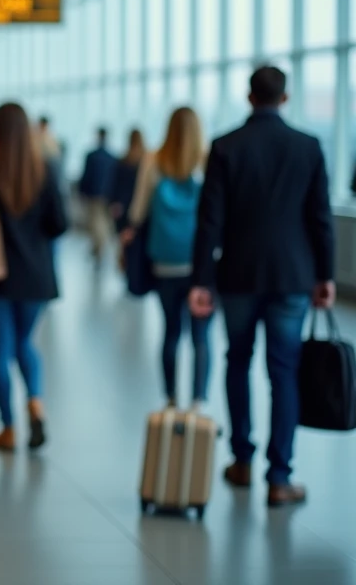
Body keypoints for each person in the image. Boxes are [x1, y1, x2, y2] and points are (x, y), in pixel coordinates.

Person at [189, 66, 335, 508]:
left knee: (238, 361)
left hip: (237, 276)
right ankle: (280, 475)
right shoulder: (307, 147)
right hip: (292, 276)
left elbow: (209, 221)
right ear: (285, 98)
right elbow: (321, 219)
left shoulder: (225, 148)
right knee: (283, 372)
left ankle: (241, 458)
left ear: (249, 97)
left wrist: (201, 279)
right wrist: (325, 274)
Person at [0, 103, 68, 452]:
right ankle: (36, 404)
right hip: (36, 277)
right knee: (26, 343)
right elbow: (60, 224)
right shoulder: (46, 169)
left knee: (0, 350)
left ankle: (8, 429)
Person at [122, 109, 211, 411]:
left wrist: (130, 232)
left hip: (165, 262)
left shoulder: (154, 162)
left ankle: (171, 397)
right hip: (201, 264)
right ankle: (198, 400)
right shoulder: (207, 162)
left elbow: (137, 211)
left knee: (171, 331)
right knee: (201, 336)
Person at [79, 127, 118, 262]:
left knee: (96, 222)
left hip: (95, 193)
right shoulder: (112, 157)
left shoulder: (92, 156)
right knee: (102, 221)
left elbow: (86, 175)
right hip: (107, 194)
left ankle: (99, 246)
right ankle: (100, 245)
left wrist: (82, 191)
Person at [109, 128, 145, 233]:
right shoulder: (143, 162)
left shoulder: (123, 160)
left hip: (122, 205)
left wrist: (114, 202)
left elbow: (116, 184)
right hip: (138, 205)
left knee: (123, 237)